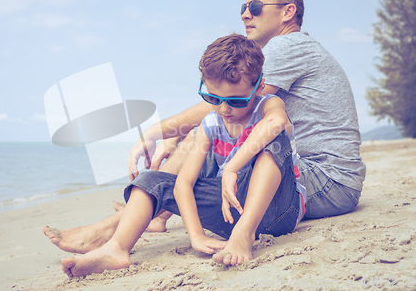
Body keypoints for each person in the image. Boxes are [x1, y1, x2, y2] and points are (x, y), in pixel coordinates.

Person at [44, 0, 365, 257]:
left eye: (255, 7)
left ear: (288, 12)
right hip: (310, 177)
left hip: (328, 183)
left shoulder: (287, 46)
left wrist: (159, 131)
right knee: (213, 129)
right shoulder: (289, 49)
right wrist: (178, 134)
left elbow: (229, 101)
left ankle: (116, 224)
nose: (244, 14)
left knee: (214, 127)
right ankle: (154, 211)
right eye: (243, 6)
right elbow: (227, 108)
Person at [56, 34, 306, 277]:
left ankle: (244, 235)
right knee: (152, 180)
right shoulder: (212, 124)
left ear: (259, 85)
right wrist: (195, 234)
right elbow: (183, 184)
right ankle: (116, 248)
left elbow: (276, 122)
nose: (224, 109)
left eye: (236, 100)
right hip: (229, 212)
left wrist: (232, 168)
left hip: (278, 211)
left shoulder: (268, 106)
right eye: (213, 98)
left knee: (274, 139)